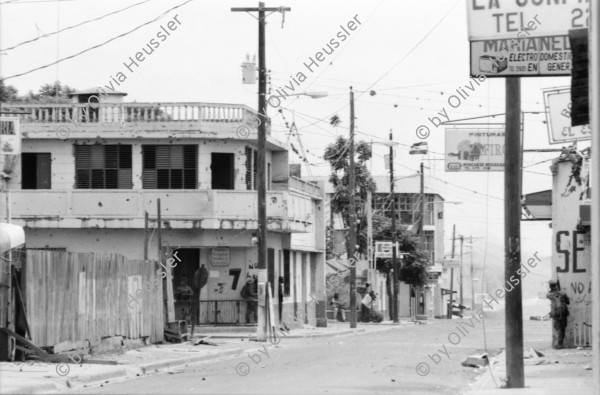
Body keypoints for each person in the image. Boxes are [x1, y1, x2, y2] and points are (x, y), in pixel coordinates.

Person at [547, 280, 570, 349]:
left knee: (558, 328)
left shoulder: (549, 295)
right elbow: (568, 302)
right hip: (563, 313)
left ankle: (559, 344)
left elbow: (548, 295)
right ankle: (560, 343)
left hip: (555, 314)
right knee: (562, 328)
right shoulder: (563, 294)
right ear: (557, 286)